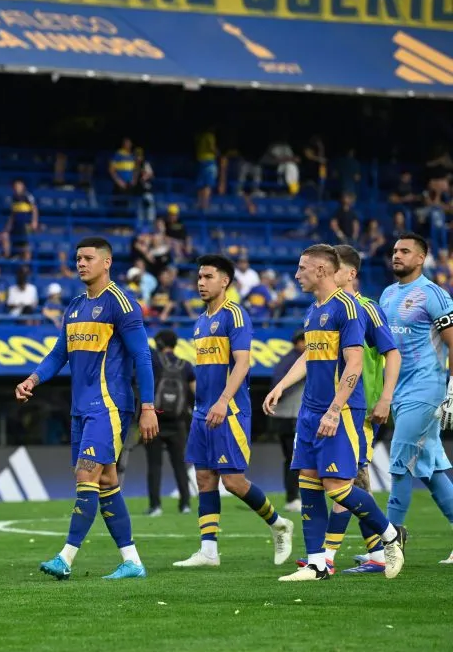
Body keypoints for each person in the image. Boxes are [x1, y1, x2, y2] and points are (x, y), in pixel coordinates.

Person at [15, 236, 159, 581]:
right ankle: (133, 561)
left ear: (106, 262)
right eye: (78, 258)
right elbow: (57, 354)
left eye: (88, 258)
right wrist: (33, 380)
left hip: (109, 406)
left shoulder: (121, 303)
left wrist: (148, 406)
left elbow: (142, 355)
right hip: (81, 408)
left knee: (86, 474)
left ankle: (65, 558)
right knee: (106, 481)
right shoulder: (76, 305)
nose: (81, 263)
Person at [264, 244, 405, 581]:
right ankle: (317, 564)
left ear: (321, 271)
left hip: (339, 411)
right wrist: (282, 385)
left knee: (339, 487)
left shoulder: (349, 308)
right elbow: (309, 357)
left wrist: (335, 409)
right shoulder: (314, 310)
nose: (296, 275)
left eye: (302, 269)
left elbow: (354, 362)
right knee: (308, 483)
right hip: (310, 410)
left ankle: (389, 536)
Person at [173, 255, 294, 569]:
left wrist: (224, 399)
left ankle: (279, 524)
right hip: (203, 412)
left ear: (224, 281)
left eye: (208, 277)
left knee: (233, 482)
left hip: (230, 409)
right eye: (199, 277)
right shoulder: (200, 322)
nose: (201, 282)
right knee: (203, 477)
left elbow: (242, 362)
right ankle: (208, 550)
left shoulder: (234, 315)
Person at [312, 245, 401, 574]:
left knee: (344, 482)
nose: (327, 275)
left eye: (334, 270)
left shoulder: (366, 308)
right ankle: (377, 551)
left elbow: (392, 353)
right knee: (349, 481)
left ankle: (331, 557)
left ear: (349, 274)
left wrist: (385, 397)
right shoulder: (326, 308)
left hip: (359, 408)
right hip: (335, 406)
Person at [379, 233, 453, 564]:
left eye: (405, 251)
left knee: (399, 461)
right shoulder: (387, 294)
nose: (397, 255)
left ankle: (390, 544)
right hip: (398, 390)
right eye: (395, 251)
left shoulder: (434, 295)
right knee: (431, 468)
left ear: (421, 258)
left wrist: (451, 389)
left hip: (427, 388)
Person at [146, 330, 194, 517]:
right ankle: (185, 505)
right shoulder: (186, 365)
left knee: (154, 465)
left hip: (154, 420)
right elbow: (194, 394)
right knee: (179, 464)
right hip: (178, 422)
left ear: (159, 343)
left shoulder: (155, 361)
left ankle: (155, 506)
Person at [269, 330, 306, 512]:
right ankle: (293, 497)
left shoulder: (286, 359)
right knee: (294, 459)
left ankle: (293, 497)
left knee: (291, 458)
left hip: (285, 416)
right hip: (291, 415)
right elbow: (281, 385)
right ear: (299, 342)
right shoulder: (295, 360)